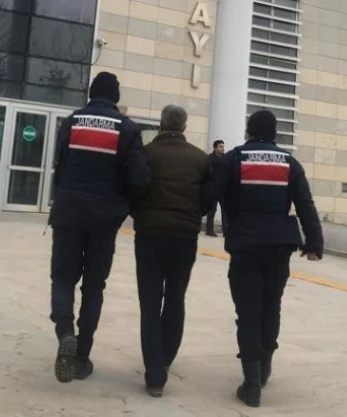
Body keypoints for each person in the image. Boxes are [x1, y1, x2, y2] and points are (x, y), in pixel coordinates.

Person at [214, 110, 323, 407]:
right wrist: (314, 243)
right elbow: (305, 204)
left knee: (248, 312)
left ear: (249, 131)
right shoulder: (289, 163)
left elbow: (211, 194)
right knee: (271, 306)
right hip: (278, 246)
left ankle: (251, 385)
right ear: (274, 134)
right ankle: (264, 367)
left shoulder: (234, 159)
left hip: (245, 245)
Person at [49, 72, 151, 383]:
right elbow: (139, 178)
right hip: (104, 217)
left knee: (63, 278)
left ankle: (65, 331)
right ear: (115, 96)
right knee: (94, 286)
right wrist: (123, 206)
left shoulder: (72, 121)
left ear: (91, 93)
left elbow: (60, 165)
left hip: (69, 211)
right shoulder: (127, 128)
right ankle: (81, 357)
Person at [131, 105, 215, 398]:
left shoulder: (146, 153)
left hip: (150, 234)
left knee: (150, 303)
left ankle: (155, 374)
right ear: (185, 126)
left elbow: (134, 187)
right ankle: (165, 357)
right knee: (176, 298)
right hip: (184, 236)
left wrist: (140, 214)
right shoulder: (200, 158)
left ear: (160, 124)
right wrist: (193, 215)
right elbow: (209, 198)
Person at [206, 140, 227, 237]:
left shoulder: (226, 158)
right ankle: (209, 229)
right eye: (220, 146)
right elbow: (208, 173)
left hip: (223, 188)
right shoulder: (210, 158)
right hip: (213, 187)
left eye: (223, 146)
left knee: (225, 210)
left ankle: (226, 231)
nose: (222, 148)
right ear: (215, 148)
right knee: (212, 209)